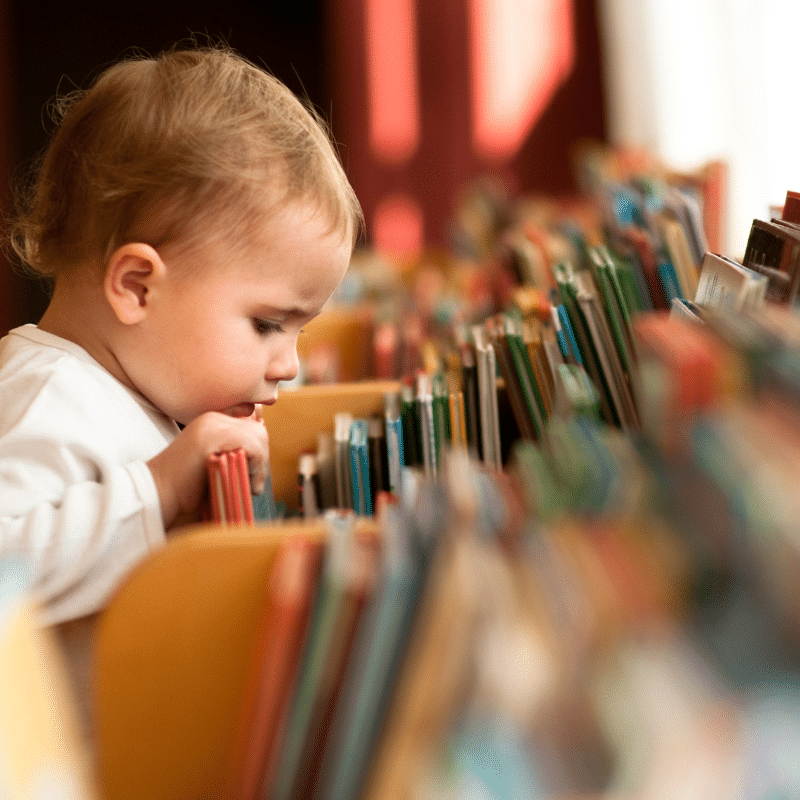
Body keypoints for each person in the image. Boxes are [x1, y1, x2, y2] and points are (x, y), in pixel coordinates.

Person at [0, 43, 361, 628]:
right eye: (268, 324)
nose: (288, 364)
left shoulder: (150, 390)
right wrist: (160, 489)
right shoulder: (44, 396)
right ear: (138, 287)